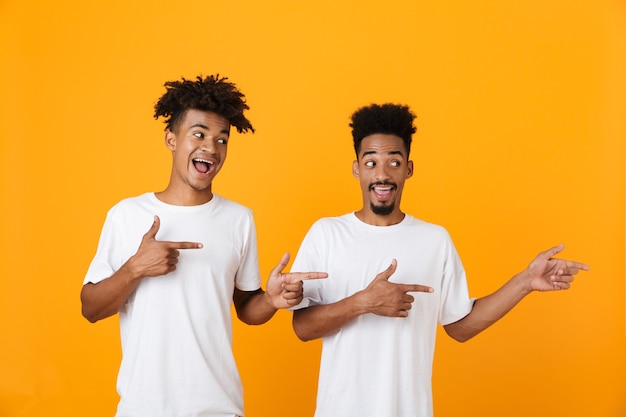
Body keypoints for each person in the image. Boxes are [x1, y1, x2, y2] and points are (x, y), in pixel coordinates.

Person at [290, 103, 589, 417]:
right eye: (371, 162)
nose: (382, 174)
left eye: (394, 161)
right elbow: (302, 327)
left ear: (409, 168)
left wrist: (525, 281)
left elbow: (459, 326)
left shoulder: (434, 240)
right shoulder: (327, 234)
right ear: (356, 169)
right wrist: (363, 302)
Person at [81, 74, 326, 417]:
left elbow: (245, 309)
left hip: (219, 407)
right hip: (143, 408)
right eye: (199, 134)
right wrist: (135, 267)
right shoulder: (126, 215)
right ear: (171, 139)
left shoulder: (238, 219)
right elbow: (90, 308)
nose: (211, 148)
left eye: (221, 139)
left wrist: (271, 300)